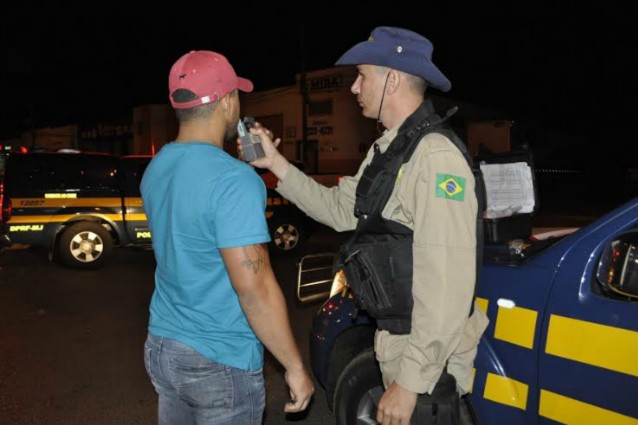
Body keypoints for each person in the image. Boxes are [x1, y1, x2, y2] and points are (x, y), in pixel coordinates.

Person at [245, 27, 489, 425]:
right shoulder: (390, 150)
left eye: (363, 76)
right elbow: (339, 210)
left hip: (427, 365)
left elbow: (446, 283)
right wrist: (276, 165)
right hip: (400, 346)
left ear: (392, 79)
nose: (355, 87)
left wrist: (411, 383)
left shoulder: (435, 158)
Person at [141, 50, 314, 425]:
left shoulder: (158, 166)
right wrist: (294, 366)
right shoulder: (233, 182)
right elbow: (255, 289)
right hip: (217, 358)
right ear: (228, 101)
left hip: (163, 345)